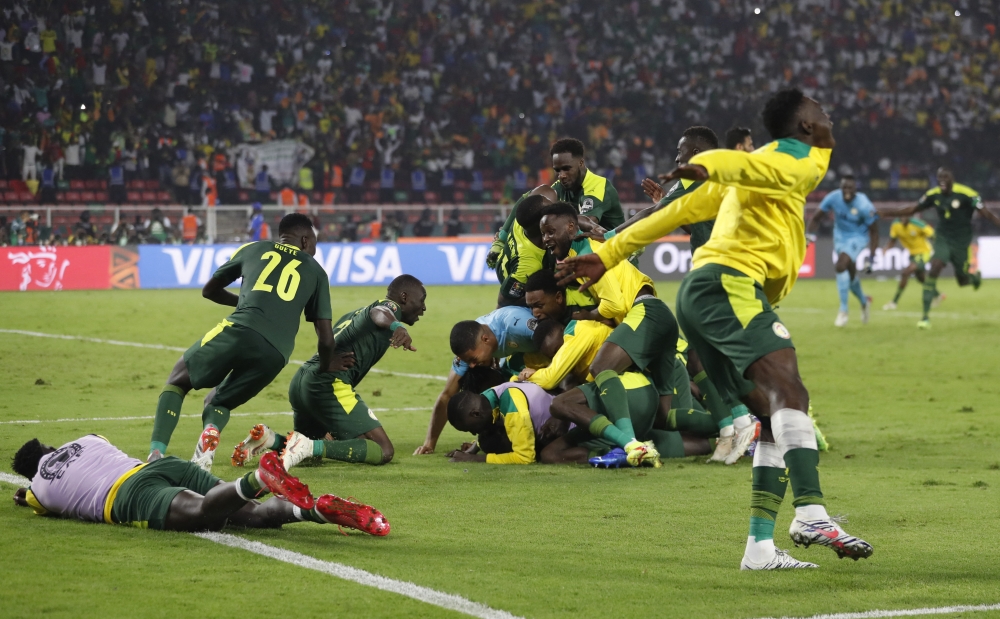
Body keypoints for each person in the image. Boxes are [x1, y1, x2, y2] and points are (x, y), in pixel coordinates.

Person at [559, 89, 873, 569]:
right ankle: (810, 512)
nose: (827, 114)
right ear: (805, 126)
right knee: (790, 390)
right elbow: (711, 189)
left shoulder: (761, 166)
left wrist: (606, 254)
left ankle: (760, 549)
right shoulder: (799, 161)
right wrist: (715, 166)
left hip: (703, 293)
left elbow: (677, 211)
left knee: (769, 414)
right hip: (728, 287)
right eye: (820, 111)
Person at [147, 213, 352, 471]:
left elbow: (209, 290)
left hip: (240, 330)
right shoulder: (317, 273)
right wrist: (326, 365)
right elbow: (325, 337)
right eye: (313, 243)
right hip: (276, 353)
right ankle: (210, 430)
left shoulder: (253, 249)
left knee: (178, 381)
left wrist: (247, 302)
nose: (314, 249)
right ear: (303, 240)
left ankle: (156, 451)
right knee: (219, 401)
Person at [540, 201, 685, 467]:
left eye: (550, 231)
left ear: (571, 228)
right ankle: (733, 425)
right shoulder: (587, 249)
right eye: (543, 233)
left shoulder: (589, 249)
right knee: (665, 415)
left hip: (645, 312)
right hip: (651, 315)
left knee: (602, 366)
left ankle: (628, 443)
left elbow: (615, 306)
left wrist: (586, 315)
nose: (546, 238)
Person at [11, 435, 388, 535]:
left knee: (205, 515)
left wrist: (23, 493)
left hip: (126, 495)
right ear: (51, 447)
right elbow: (98, 441)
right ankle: (313, 510)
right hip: (156, 468)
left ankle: (259, 477)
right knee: (251, 517)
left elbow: (26, 498)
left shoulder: (38, 490)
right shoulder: (86, 440)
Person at [233, 276, 426, 469]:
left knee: (311, 454)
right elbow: (381, 312)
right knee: (383, 450)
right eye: (422, 300)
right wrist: (397, 326)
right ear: (404, 297)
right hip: (327, 385)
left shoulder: (354, 315)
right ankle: (305, 445)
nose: (424, 308)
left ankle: (270, 440)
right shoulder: (388, 307)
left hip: (304, 381)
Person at [879, 167, 1000, 328]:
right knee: (935, 267)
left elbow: (987, 214)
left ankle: (974, 278)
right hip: (943, 238)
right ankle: (925, 318)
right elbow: (913, 209)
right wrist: (886, 213)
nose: (942, 180)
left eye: (945, 177)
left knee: (962, 280)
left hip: (961, 242)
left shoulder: (967, 194)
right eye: (939, 177)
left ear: (952, 179)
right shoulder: (933, 194)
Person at [414, 305, 540, 455]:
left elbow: (559, 339)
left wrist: (542, 372)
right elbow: (447, 396)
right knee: (476, 381)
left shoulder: (516, 326)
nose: (472, 365)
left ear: (485, 339)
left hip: (552, 361)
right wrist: (429, 443)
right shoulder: (470, 347)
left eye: (473, 359)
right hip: (523, 364)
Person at [806, 175, 878, 327]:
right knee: (850, 272)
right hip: (839, 237)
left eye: (850, 188)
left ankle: (843, 311)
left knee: (840, 265)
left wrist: (872, 256)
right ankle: (864, 302)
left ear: (855, 190)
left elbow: (874, 231)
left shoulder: (864, 205)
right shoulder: (833, 197)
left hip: (857, 238)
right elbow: (817, 217)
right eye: (844, 187)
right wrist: (810, 235)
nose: (846, 191)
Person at [492, 190, 554, 307]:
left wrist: (501, 238)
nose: (553, 206)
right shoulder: (529, 265)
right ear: (541, 225)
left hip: (506, 261)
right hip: (513, 281)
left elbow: (539, 190)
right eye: (549, 210)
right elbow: (503, 301)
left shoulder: (522, 220)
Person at [550, 138, 624, 230]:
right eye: (557, 170)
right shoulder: (558, 187)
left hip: (619, 243)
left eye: (566, 169)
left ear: (581, 163)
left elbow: (587, 224)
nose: (561, 175)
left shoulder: (598, 185)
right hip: (596, 243)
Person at [882, 216, 936, 310]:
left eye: (905, 215)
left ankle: (894, 302)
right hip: (912, 254)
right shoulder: (896, 224)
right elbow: (893, 240)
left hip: (924, 252)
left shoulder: (918, 223)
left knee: (905, 273)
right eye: (901, 215)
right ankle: (937, 294)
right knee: (920, 278)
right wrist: (886, 248)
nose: (903, 218)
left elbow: (933, 235)